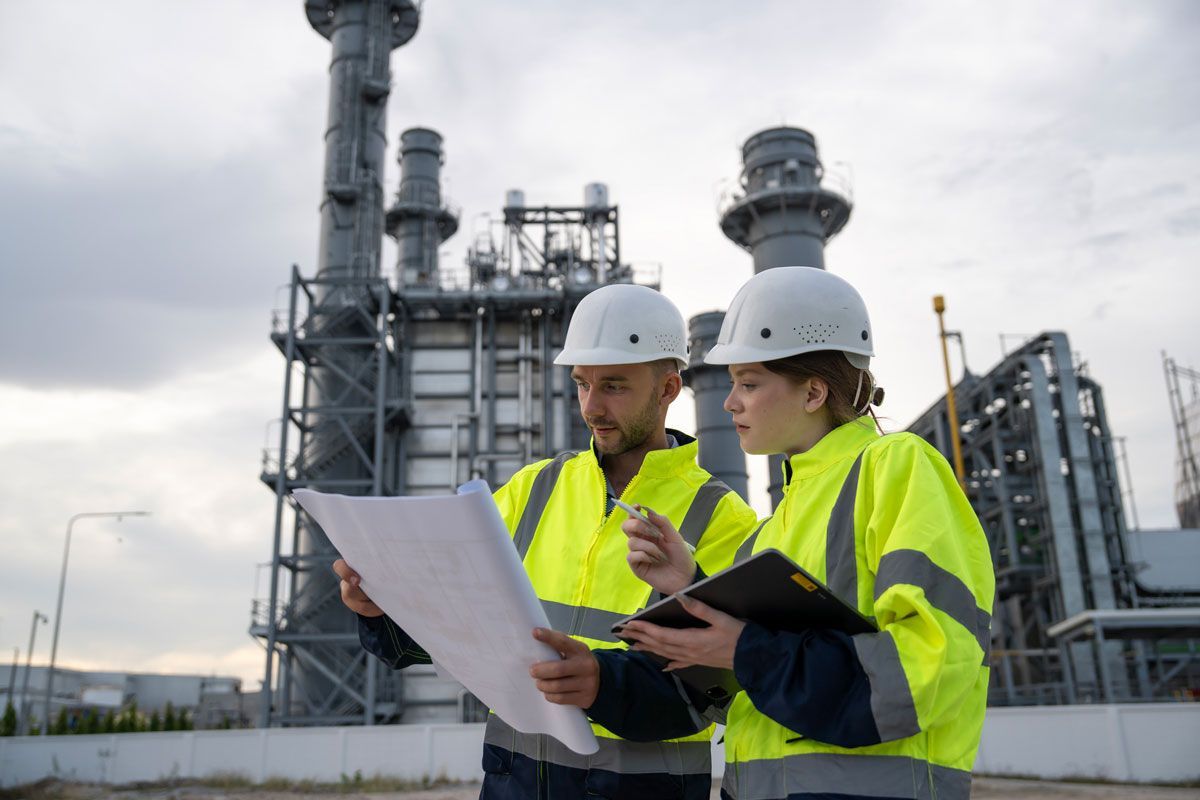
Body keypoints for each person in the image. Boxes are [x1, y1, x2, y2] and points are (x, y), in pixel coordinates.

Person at [530, 267, 996, 800]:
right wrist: (690, 586)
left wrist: (746, 649)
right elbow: (739, 691)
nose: (729, 403)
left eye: (748, 383)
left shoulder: (895, 467)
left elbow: (930, 670)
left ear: (814, 391)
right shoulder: (768, 532)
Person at [334, 282, 758, 800]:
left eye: (615, 387)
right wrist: (384, 609)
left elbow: (716, 686)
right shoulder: (533, 489)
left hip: (640, 787)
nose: (592, 407)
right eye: (582, 384)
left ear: (669, 389)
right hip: (513, 782)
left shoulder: (721, 518)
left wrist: (604, 682)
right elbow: (461, 627)